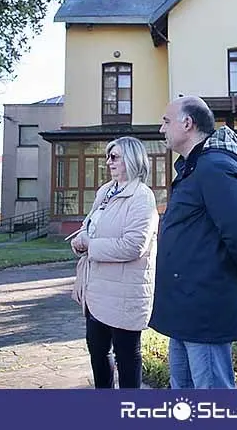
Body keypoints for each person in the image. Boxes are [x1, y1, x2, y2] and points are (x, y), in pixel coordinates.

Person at [150, 96, 237, 389]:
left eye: (166, 121)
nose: (161, 129)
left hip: (203, 307)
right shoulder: (193, 167)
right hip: (184, 306)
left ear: (187, 124)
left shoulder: (214, 167)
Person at [70, 137, 159, 389]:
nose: (108, 161)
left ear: (132, 159)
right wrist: (80, 240)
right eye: (108, 156)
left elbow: (134, 246)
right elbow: (90, 228)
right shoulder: (105, 191)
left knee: (127, 356)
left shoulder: (142, 197)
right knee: (98, 353)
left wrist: (90, 245)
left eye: (115, 156)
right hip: (97, 290)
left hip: (124, 293)